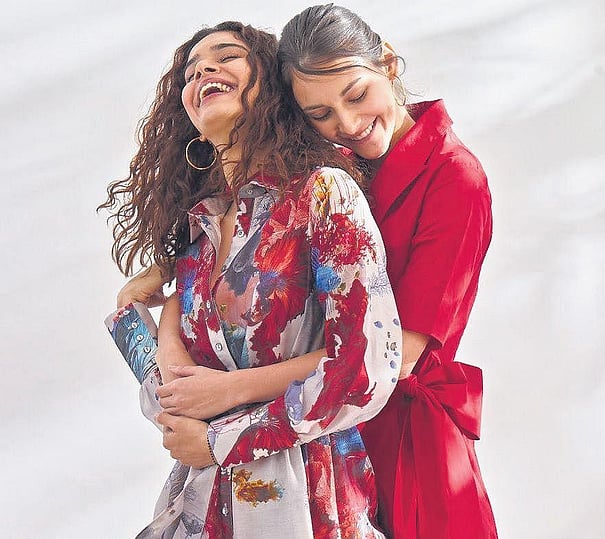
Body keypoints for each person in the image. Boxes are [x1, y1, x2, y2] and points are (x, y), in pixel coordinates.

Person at [120, 5, 498, 538]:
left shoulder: (447, 179)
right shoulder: (305, 176)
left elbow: (394, 358)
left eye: (357, 95)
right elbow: (254, 254)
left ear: (388, 64)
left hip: (393, 435)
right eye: (319, 113)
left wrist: (226, 398)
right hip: (272, 452)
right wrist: (170, 272)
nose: (346, 124)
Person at [101, 21, 401, 538]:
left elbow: (366, 367)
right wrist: (141, 323)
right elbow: (178, 394)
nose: (204, 72)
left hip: (308, 503)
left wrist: (219, 437)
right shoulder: (197, 232)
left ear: (271, 86)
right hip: (202, 507)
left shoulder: (322, 195)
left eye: (225, 57)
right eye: (191, 73)